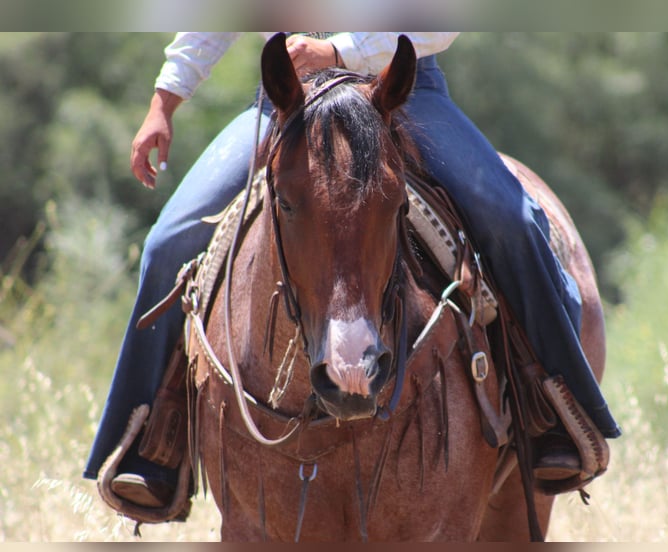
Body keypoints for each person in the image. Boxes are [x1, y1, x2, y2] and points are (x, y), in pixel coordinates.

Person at [84, 32, 620, 509]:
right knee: (166, 243)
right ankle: (154, 435)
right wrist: (164, 100)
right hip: (290, 100)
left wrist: (339, 51)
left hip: (398, 90)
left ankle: (551, 404)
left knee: (512, 221)